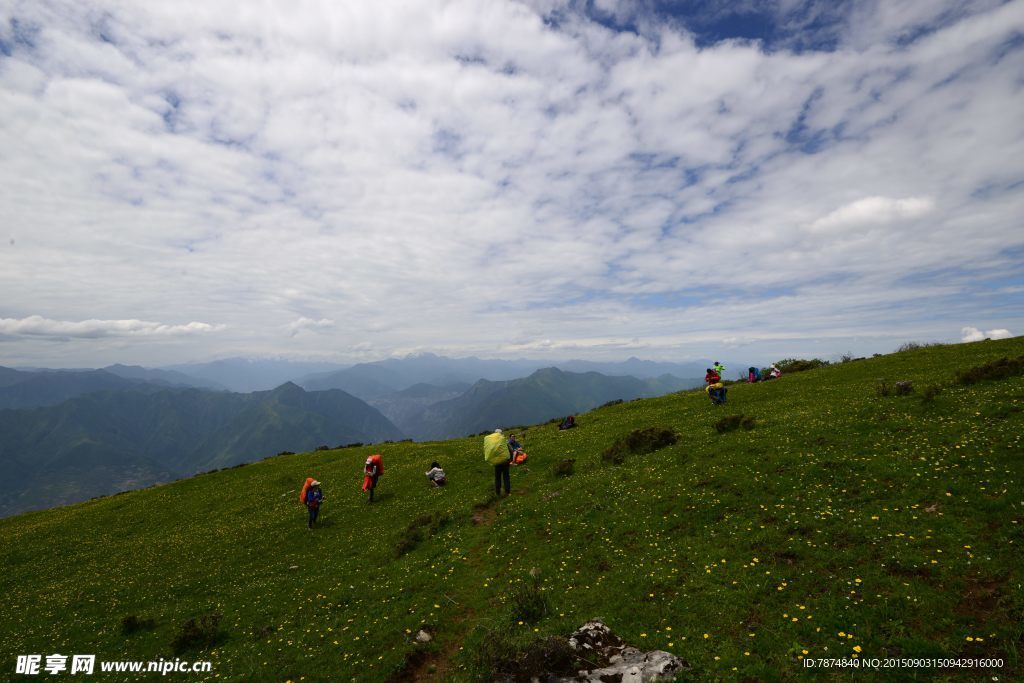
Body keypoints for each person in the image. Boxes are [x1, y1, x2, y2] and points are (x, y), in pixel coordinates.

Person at [483, 428, 511, 496]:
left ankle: (498, 492)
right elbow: (509, 450)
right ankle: (507, 491)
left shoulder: (491, 442)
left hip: (496, 463)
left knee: (497, 477)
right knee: (506, 476)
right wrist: (510, 459)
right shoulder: (503, 440)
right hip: (504, 462)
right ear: (500, 433)